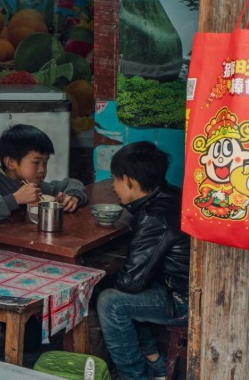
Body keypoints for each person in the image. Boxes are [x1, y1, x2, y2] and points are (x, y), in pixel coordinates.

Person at [97, 141, 190, 380]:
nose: (113, 186)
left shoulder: (153, 216)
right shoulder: (171, 193)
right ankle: (155, 362)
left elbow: (130, 283)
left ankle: (134, 376)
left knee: (111, 301)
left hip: (183, 301)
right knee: (113, 284)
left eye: (115, 179)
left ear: (129, 181)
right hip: (179, 287)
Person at [0, 124, 87, 229]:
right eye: (36, 162)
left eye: (45, 162)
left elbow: (72, 182)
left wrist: (73, 197)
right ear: (10, 163)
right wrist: (15, 199)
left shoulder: (34, 186)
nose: (42, 169)